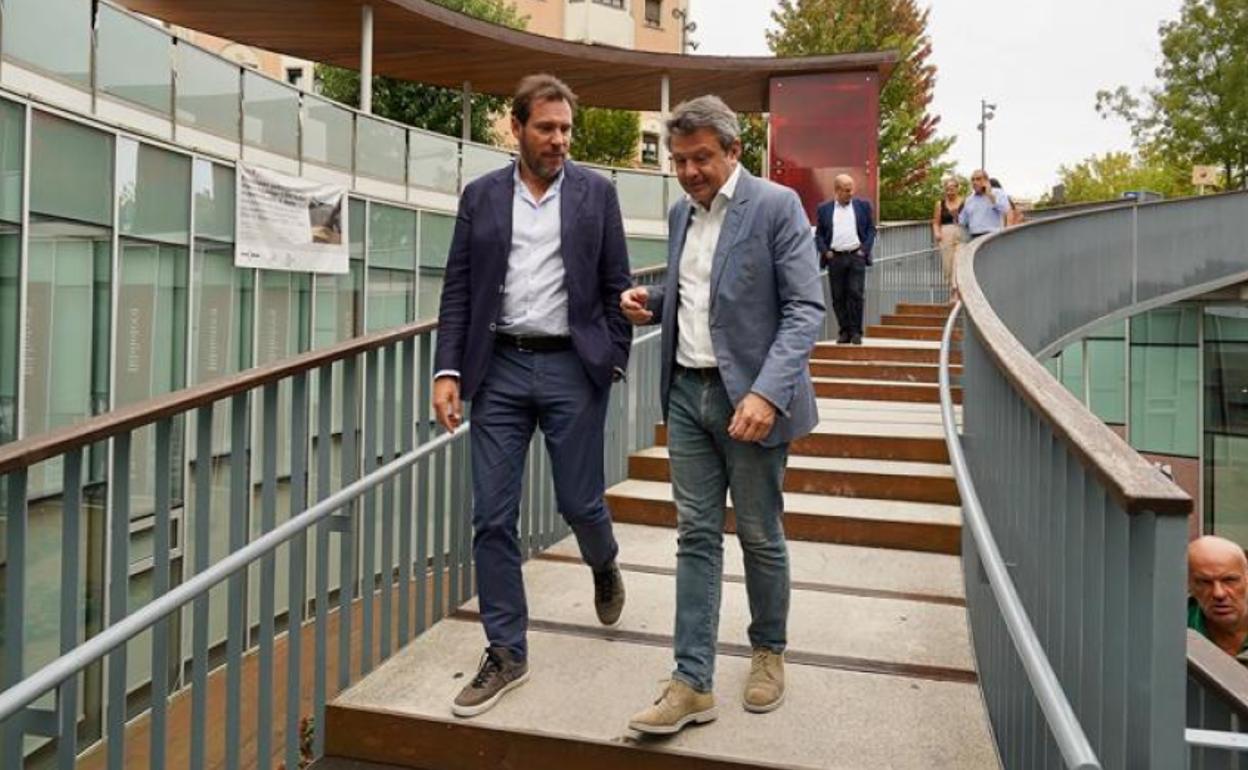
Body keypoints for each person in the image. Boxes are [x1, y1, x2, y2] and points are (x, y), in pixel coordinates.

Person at [618, 95, 825, 734]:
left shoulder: (775, 206)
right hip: (686, 393)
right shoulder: (682, 213)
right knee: (696, 537)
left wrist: (766, 393)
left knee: (760, 533)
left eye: (700, 158)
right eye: (679, 160)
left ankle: (768, 652)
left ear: (734, 152)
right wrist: (652, 301)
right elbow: (699, 293)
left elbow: (804, 309)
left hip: (750, 400)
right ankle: (691, 681)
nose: (688, 171)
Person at [433, 74, 632, 718]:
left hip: (573, 369)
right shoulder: (481, 196)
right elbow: (459, 288)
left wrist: (614, 362)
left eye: (566, 129)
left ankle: (603, 562)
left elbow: (616, 285)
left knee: (579, 502)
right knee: (492, 515)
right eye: (546, 128)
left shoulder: (598, 194)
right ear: (516, 127)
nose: (559, 140)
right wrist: (447, 371)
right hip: (501, 373)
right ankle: (507, 650)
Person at [814, 175, 876, 345]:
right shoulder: (824, 209)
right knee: (838, 296)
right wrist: (825, 252)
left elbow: (871, 230)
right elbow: (819, 234)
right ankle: (844, 331)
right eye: (847, 190)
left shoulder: (862, 206)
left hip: (856, 256)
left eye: (852, 189)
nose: (851, 193)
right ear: (837, 190)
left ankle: (856, 332)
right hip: (835, 258)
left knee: (855, 293)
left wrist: (864, 250)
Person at [1188, 535, 1248, 661]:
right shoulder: (1172, 627)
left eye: (1229, 580)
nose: (1218, 594)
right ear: (1189, 585)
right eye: (1205, 582)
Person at [958, 169, 1010, 239]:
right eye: (973, 180)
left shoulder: (998, 193)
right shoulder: (969, 199)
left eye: (978, 179)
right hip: (974, 237)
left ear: (986, 181)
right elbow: (963, 221)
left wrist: (990, 195)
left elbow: (1005, 209)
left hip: (992, 236)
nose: (975, 182)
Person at [932, 177, 963, 287]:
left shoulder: (964, 202)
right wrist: (937, 233)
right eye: (947, 189)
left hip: (961, 233)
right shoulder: (940, 204)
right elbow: (936, 222)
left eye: (952, 188)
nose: (950, 191)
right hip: (946, 234)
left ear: (957, 188)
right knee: (947, 265)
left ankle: (958, 290)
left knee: (959, 262)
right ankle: (952, 290)